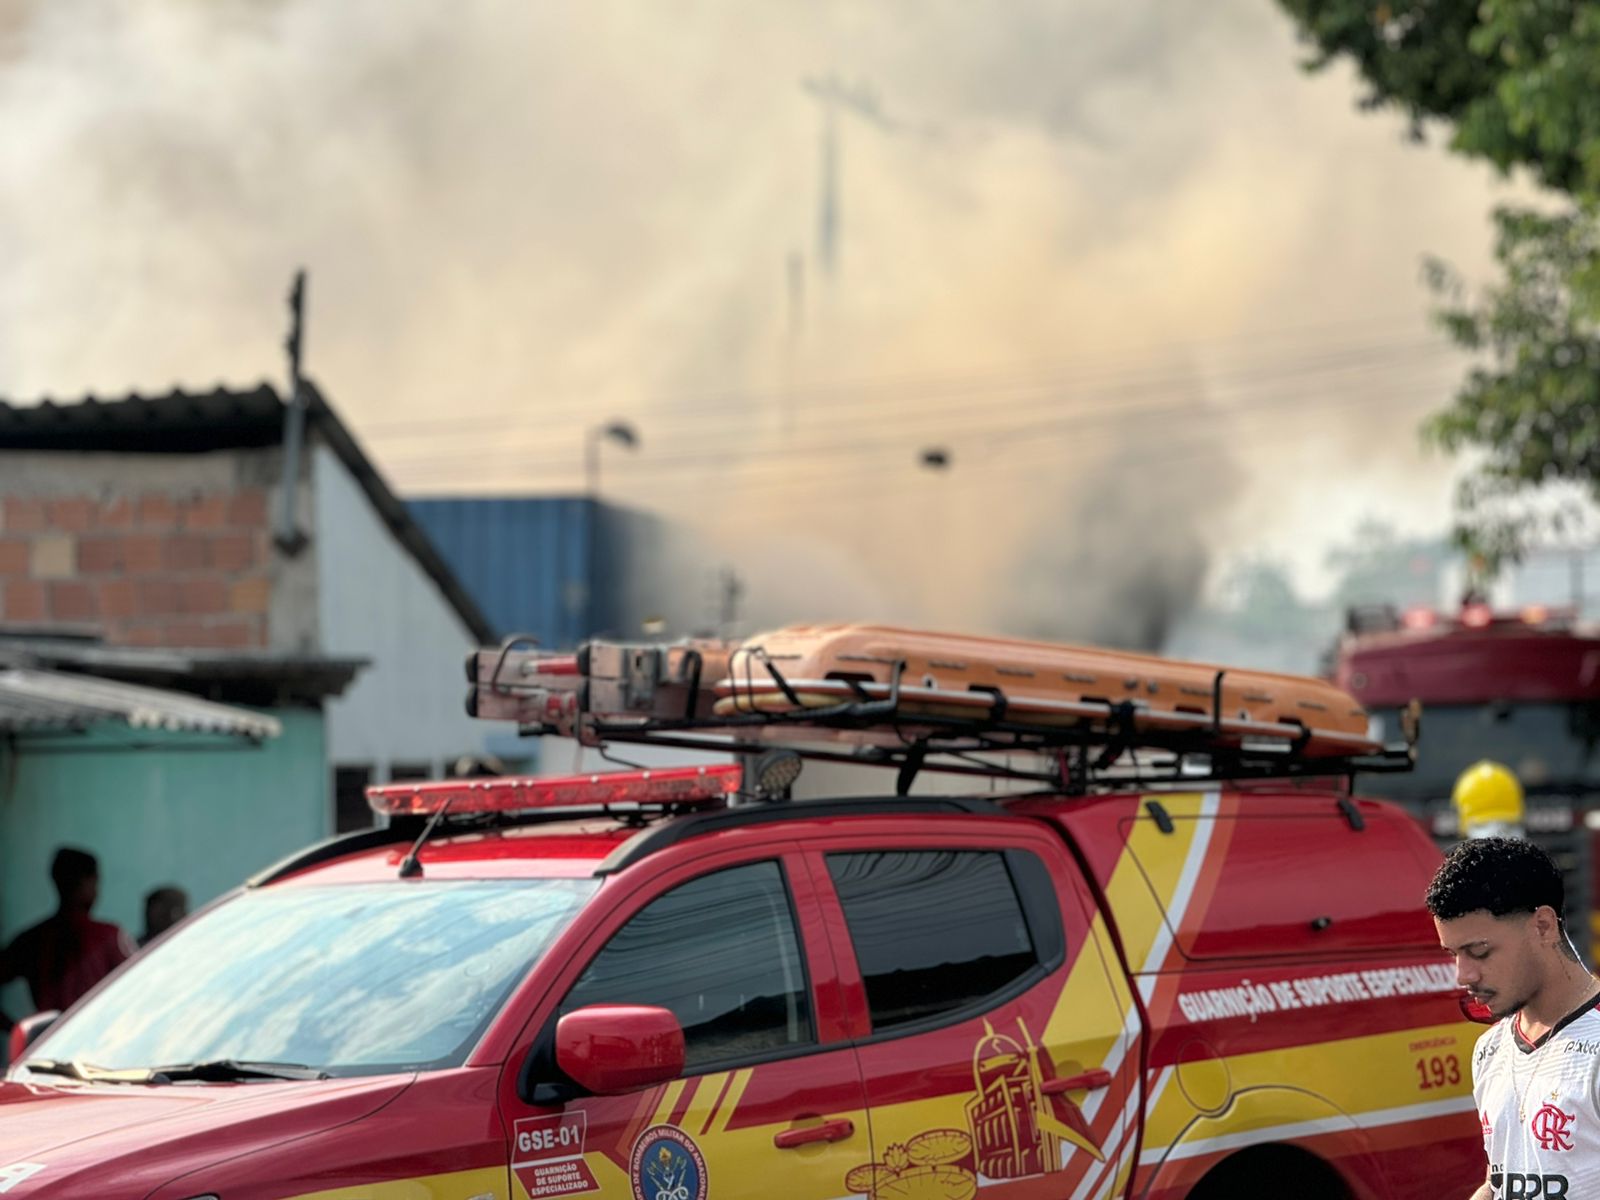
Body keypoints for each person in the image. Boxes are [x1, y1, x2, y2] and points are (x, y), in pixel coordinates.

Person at [1428, 837, 1600, 1199]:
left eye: (1479, 951)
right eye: (1453, 954)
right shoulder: (1489, 1049)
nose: (1463, 974)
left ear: (1543, 926)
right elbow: (1500, 1182)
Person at [0, 847, 134, 1014]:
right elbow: (140, 987)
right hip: (101, 1036)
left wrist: (15, 1029)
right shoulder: (109, 936)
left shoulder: (31, 940)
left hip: (53, 1037)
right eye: (95, 882)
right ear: (87, 882)